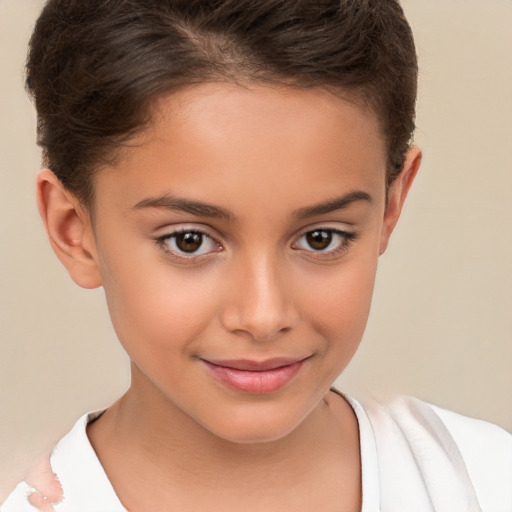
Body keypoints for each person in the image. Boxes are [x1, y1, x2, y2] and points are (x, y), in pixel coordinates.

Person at [2, 1, 511, 511]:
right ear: (74, 231)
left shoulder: (488, 481)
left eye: (321, 238)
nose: (263, 316)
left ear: (390, 207)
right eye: (189, 241)